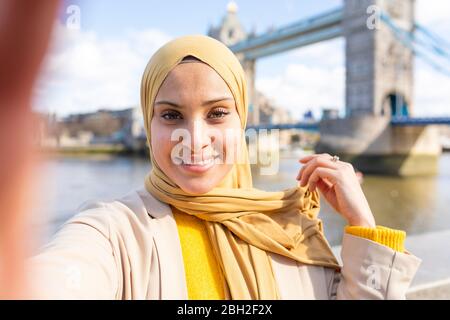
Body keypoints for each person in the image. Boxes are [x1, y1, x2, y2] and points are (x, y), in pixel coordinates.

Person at [29, 35, 421, 299]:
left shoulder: (293, 229)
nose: (195, 139)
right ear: (149, 126)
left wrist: (364, 227)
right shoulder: (115, 230)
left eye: (217, 113)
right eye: (170, 115)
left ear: (242, 121)